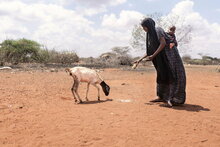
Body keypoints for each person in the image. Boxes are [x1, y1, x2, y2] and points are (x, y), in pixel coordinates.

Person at [134, 18, 186, 106]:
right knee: (162, 74)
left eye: (144, 27)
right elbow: (149, 50)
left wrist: (153, 56)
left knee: (173, 74)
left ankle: (175, 99)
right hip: (161, 58)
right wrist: (140, 59)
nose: (144, 29)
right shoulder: (151, 35)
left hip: (170, 56)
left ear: (149, 25)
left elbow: (163, 43)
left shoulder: (158, 30)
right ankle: (162, 96)